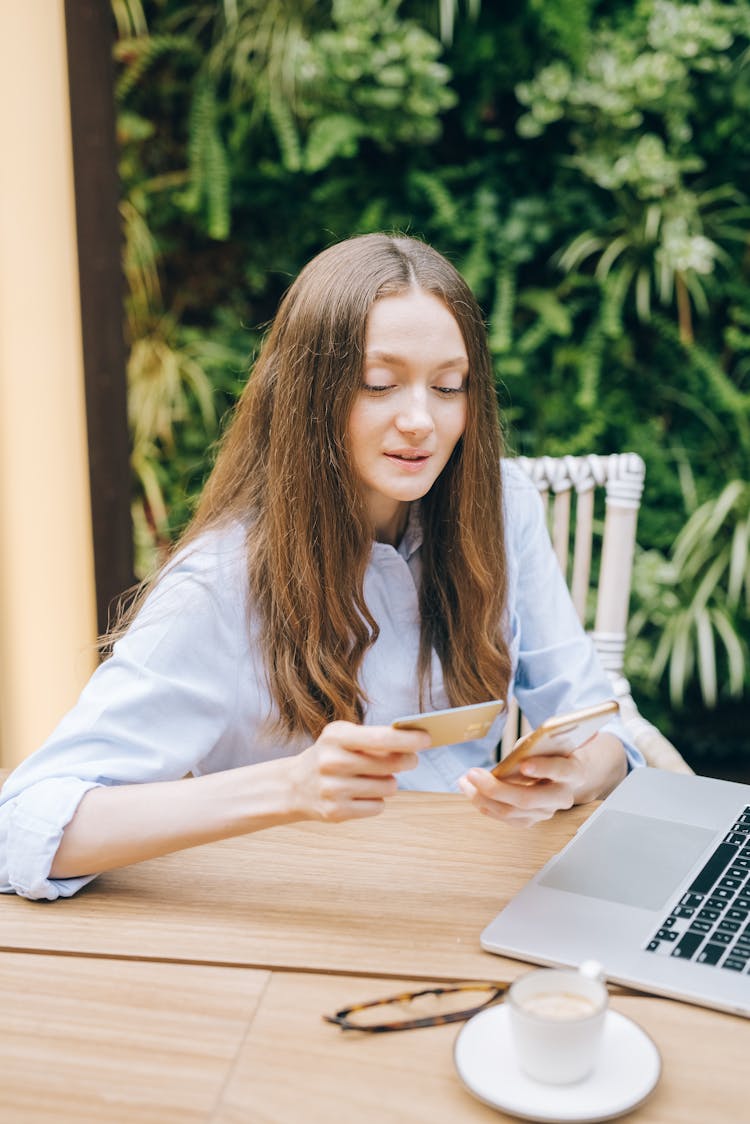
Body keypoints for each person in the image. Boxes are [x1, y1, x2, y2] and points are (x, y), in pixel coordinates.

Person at [0, 233, 640, 901]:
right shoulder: (220, 585)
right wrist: (291, 786)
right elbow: (23, 821)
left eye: (449, 386)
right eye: (379, 384)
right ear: (309, 394)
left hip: (477, 895)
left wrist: (580, 772)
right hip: (302, 919)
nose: (421, 418)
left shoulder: (503, 510)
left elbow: (603, 729)